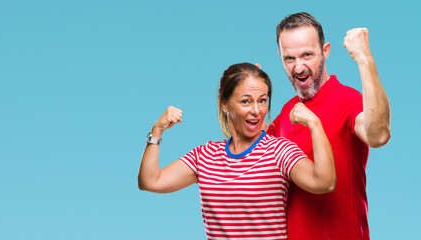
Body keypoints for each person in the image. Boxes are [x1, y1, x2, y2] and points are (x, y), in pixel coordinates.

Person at [138, 63, 336, 239]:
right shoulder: (205, 155)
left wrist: (315, 124)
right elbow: (150, 181)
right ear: (225, 103)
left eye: (262, 100)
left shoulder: (279, 151)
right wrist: (157, 131)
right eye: (246, 101)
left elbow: (324, 182)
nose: (257, 111)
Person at [266, 12, 391, 240]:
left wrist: (364, 58)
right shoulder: (287, 112)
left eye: (307, 55)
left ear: (325, 51)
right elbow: (254, 149)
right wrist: (249, 93)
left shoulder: (347, 100)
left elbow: (379, 134)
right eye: (289, 59)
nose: (299, 67)